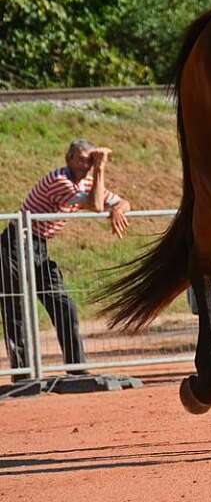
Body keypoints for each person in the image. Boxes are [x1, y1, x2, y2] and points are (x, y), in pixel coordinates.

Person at [1, 139, 131, 373]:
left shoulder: (88, 182)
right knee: (16, 307)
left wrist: (119, 208)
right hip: (14, 244)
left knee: (64, 305)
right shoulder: (59, 181)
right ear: (68, 159)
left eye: (89, 159)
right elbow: (96, 205)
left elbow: (121, 201)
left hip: (38, 246)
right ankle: (22, 374)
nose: (86, 164)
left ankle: (76, 368)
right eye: (81, 159)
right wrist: (101, 168)